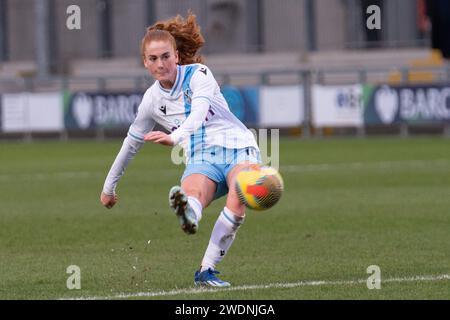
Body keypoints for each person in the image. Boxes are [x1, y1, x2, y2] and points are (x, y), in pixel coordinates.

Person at [100, 13, 261, 287]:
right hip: (201, 156)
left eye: (165, 56)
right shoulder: (151, 100)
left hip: (237, 146)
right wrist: (108, 188)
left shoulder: (199, 75)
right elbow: (131, 143)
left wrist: (174, 138)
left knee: (239, 194)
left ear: (176, 55)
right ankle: (188, 214)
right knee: (194, 194)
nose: (160, 64)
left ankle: (206, 270)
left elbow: (198, 113)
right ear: (145, 63)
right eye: (153, 59)